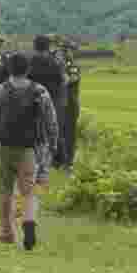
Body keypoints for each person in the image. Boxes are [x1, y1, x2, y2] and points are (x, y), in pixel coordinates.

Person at [0, 51, 58, 249]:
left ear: (9, 68)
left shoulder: (0, 90)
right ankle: (29, 222)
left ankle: (7, 232)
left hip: (6, 147)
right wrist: (53, 145)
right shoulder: (40, 91)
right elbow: (51, 121)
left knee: (5, 191)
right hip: (30, 149)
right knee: (29, 191)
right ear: (28, 69)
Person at [27, 35, 66, 187]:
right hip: (52, 101)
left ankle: (36, 160)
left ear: (35, 46)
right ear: (48, 47)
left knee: (36, 132)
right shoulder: (55, 63)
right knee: (53, 130)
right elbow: (62, 81)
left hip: (33, 101)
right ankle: (58, 160)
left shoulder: (29, 62)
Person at [52, 36, 82, 173]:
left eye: (67, 51)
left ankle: (68, 161)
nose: (69, 53)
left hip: (70, 104)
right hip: (60, 103)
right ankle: (59, 161)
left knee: (69, 133)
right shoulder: (58, 65)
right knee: (59, 133)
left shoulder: (72, 66)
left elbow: (70, 80)